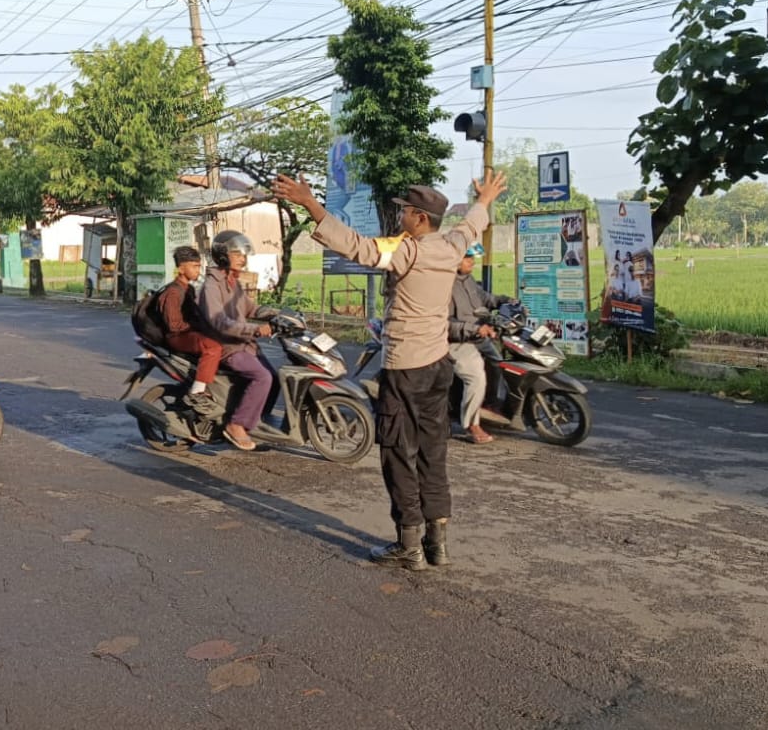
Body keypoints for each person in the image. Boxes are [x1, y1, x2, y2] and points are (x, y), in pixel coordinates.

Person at [272, 170, 507, 571]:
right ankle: (438, 543)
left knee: (398, 451)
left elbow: (357, 247)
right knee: (433, 452)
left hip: (406, 369)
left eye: (403, 213)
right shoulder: (451, 247)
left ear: (418, 218)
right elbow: (472, 223)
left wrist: (309, 203)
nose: (399, 218)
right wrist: (484, 198)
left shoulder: (408, 253)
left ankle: (409, 545)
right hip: (438, 366)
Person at [196, 231, 275, 452]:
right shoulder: (212, 286)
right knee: (262, 377)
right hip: (227, 347)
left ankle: (255, 420)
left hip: (243, 345)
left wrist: (277, 314)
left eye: (243, 254)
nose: (243, 258)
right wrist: (256, 329)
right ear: (222, 255)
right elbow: (219, 322)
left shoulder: (233, 282)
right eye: (237, 254)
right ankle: (236, 424)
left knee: (275, 377)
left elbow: (251, 308)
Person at [449, 243, 516, 444]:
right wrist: (475, 329)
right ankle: (471, 425)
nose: (472, 262)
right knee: (476, 375)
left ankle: (489, 403)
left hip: (476, 336)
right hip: (455, 340)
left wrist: (506, 300)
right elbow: (443, 323)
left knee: (497, 361)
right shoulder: (443, 285)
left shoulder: (467, 280)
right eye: (468, 258)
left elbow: (485, 298)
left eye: (472, 258)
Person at [157, 246, 224, 406]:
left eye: (199, 266)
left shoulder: (189, 289)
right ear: (181, 268)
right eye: (194, 266)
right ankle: (198, 390)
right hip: (177, 337)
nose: (197, 271)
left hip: (188, 333)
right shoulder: (173, 292)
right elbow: (174, 325)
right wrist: (196, 326)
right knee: (212, 347)